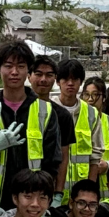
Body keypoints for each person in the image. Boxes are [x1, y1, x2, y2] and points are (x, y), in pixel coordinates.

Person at [0, 39, 65, 211]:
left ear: (28, 71)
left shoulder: (46, 111)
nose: (14, 72)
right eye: (8, 66)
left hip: (32, 203)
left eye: (21, 66)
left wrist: (43, 199)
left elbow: (52, 162)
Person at [54, 59, 109, 203]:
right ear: (57, 81)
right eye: (65, 79)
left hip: (80, 192)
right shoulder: (47, 110)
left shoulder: (91, 114)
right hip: (53, 190)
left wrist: (89, 190)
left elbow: (95, 155)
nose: (70, 83)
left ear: (81, 82)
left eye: (75, 79)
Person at [28, 56, 76, 195]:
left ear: (55, 79)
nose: (43, 79)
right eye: (38, 74)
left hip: (46, 189)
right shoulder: (20, 111)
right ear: (29, 76)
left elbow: (64, 156)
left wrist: (58, 192)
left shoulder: (62, 115)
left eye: (49, 75)